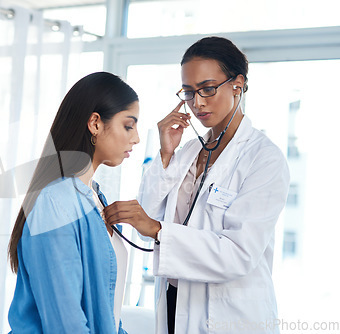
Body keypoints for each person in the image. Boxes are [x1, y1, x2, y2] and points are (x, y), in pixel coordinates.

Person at [104, 37, 290, 333]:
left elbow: (237, 254)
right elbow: (148, 210)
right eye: (189, 92)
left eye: (207, 89)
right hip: (176, 301)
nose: (197, 102)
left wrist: (157, 229)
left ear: (237, 84)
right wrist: (166, 153)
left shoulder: (264, 158)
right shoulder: (189, 150)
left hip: (229, 315)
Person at [7, 72, 140, 334]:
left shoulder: (95, 197)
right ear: (95, 123)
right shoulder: (55, 203)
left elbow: (108, 311)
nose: (136, 138)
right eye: (128, 126)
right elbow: (65, 324)